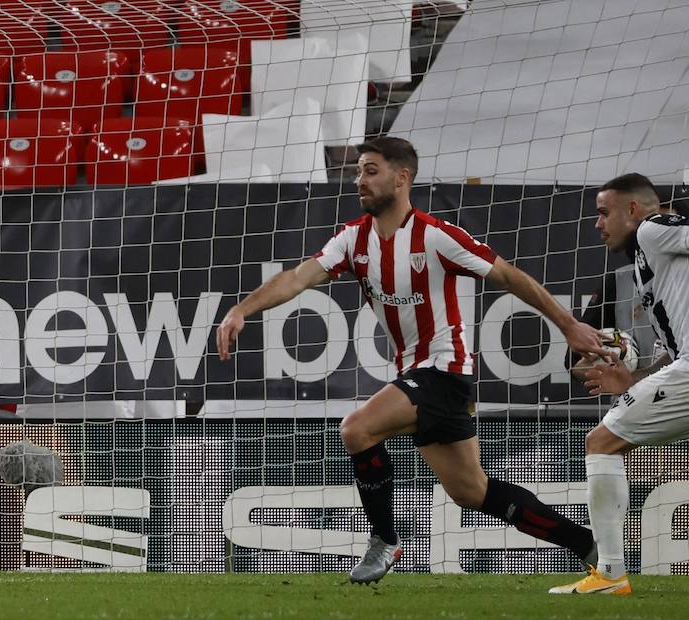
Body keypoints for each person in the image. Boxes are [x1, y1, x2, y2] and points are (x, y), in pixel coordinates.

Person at [216, 136, 613, 584]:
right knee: (471, 492)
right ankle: (587, 544)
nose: (358, 181)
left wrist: (566, 324)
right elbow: (296, 279)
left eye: (370, 171)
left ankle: (384, 541)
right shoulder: (352, 239)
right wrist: (241, 309)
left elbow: (507, 274)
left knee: (357, 428)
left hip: (446, 369)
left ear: (402, 178)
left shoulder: (436, 236)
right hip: (419, 374)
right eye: (357, 171)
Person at [550, 173, 688, 595]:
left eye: (603, 212)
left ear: (632, 209)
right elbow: (674, 355)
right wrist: (634, 378)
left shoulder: (652, 228)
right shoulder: (651, 262)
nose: (597, 223)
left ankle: (610, 573)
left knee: (601, 442)